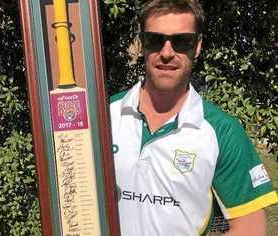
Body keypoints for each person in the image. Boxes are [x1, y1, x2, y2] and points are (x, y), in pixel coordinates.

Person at [109, 0, 278, 235]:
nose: (167, 53)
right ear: (142, 43)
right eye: (155, 40)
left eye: (182, 42)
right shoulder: (104, 116)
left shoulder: (222, 131)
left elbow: (250, 227)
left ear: (197, 46)